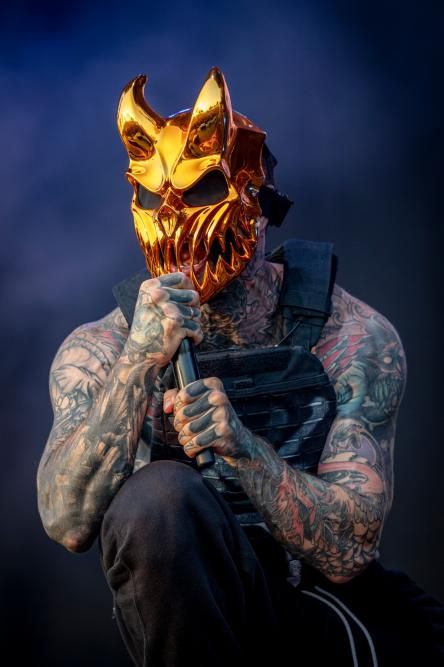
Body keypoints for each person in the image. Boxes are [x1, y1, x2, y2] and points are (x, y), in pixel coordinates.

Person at [37, 68, 444, 666]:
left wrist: (244, 450)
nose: (172, 216)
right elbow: (67, 521)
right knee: (158, 500)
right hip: (190, 620)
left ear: (256, 204)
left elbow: (350, 550)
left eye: (201, 190)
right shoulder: (102, 348)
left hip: (319, 612)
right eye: (151, 196)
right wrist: (139, 362)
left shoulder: (351, 336)